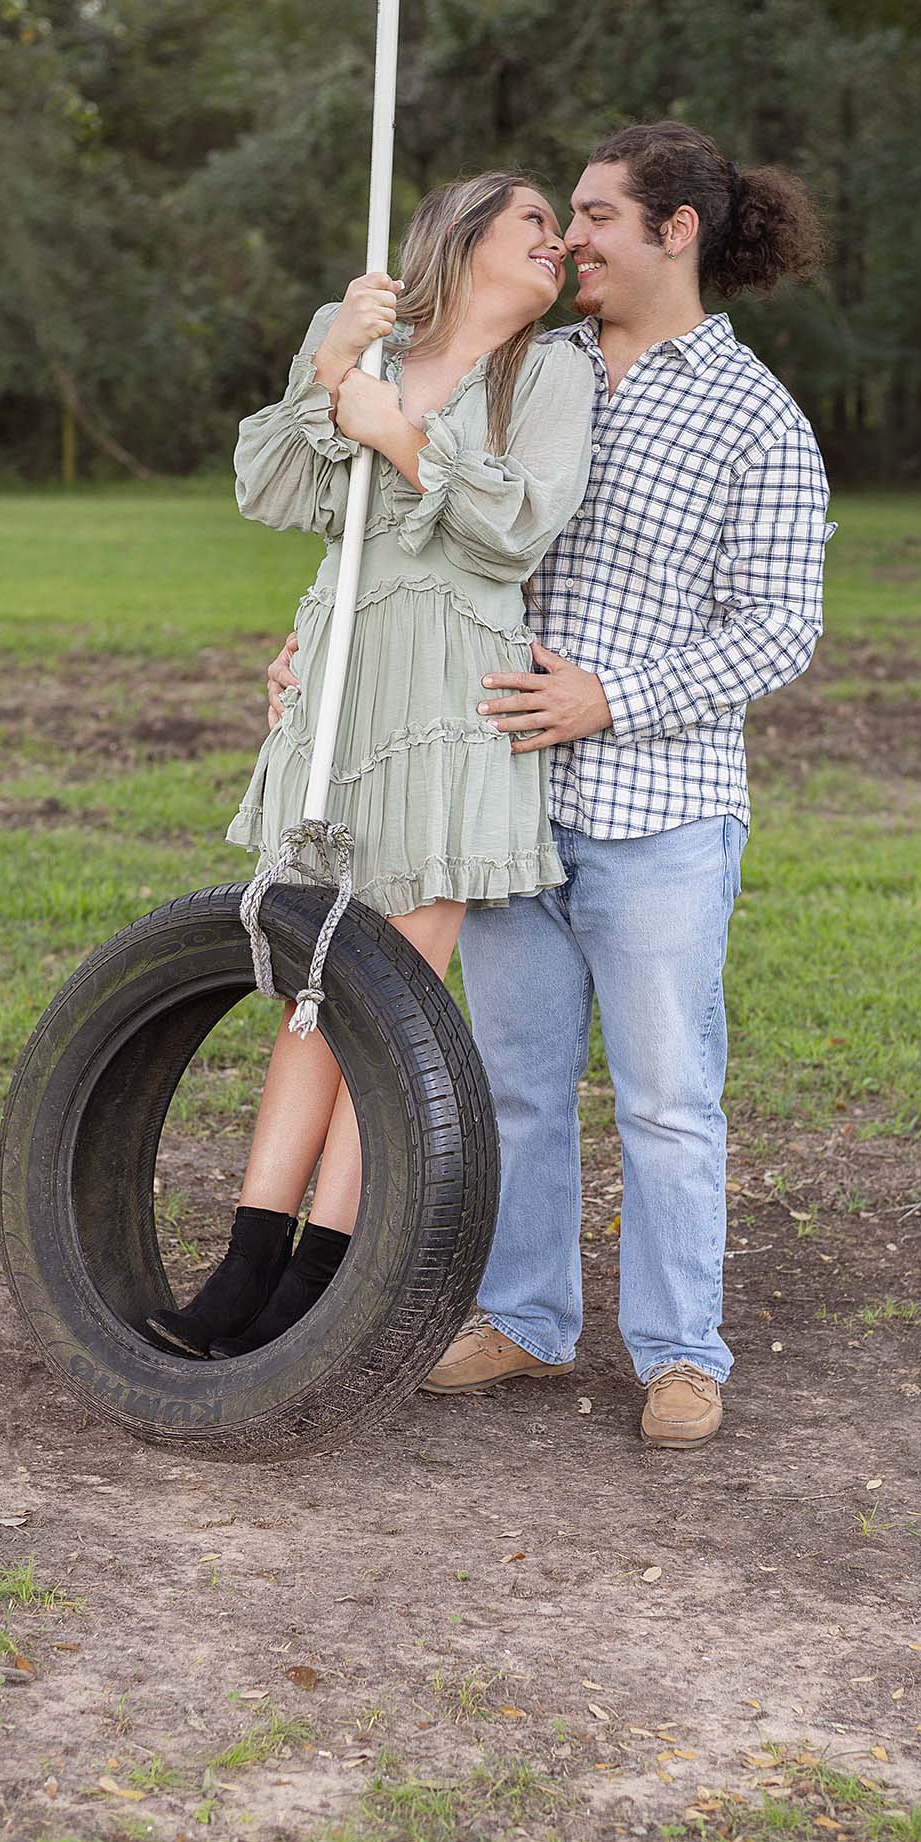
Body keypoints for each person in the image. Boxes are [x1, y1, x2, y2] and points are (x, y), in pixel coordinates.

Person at [267, 121, 833, 1448]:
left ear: (673, 232)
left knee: (663, 1094)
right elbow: (405, 512)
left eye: (592, 215)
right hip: (502, 793)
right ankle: (524, 1318)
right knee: (513, 1080)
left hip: (661, 808)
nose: (567, 238)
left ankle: (680, 1350)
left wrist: (611, 694)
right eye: (561, 215)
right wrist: (326, 623)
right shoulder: (538, 362)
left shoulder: (754, 414)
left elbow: (782, 624)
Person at [147, 173, 595, 1359]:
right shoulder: (362, 339)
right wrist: (328, 364)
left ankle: (319, 1277)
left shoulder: (548, 375)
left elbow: (516, 528)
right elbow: (271, 489)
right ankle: (244, 1257)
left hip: (457, 698)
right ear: (460, 238)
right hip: (343, 685)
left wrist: (394, 429)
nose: (556, 244)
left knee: (389, 990)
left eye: (559, 228)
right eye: (533, 224)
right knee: (313, 979)